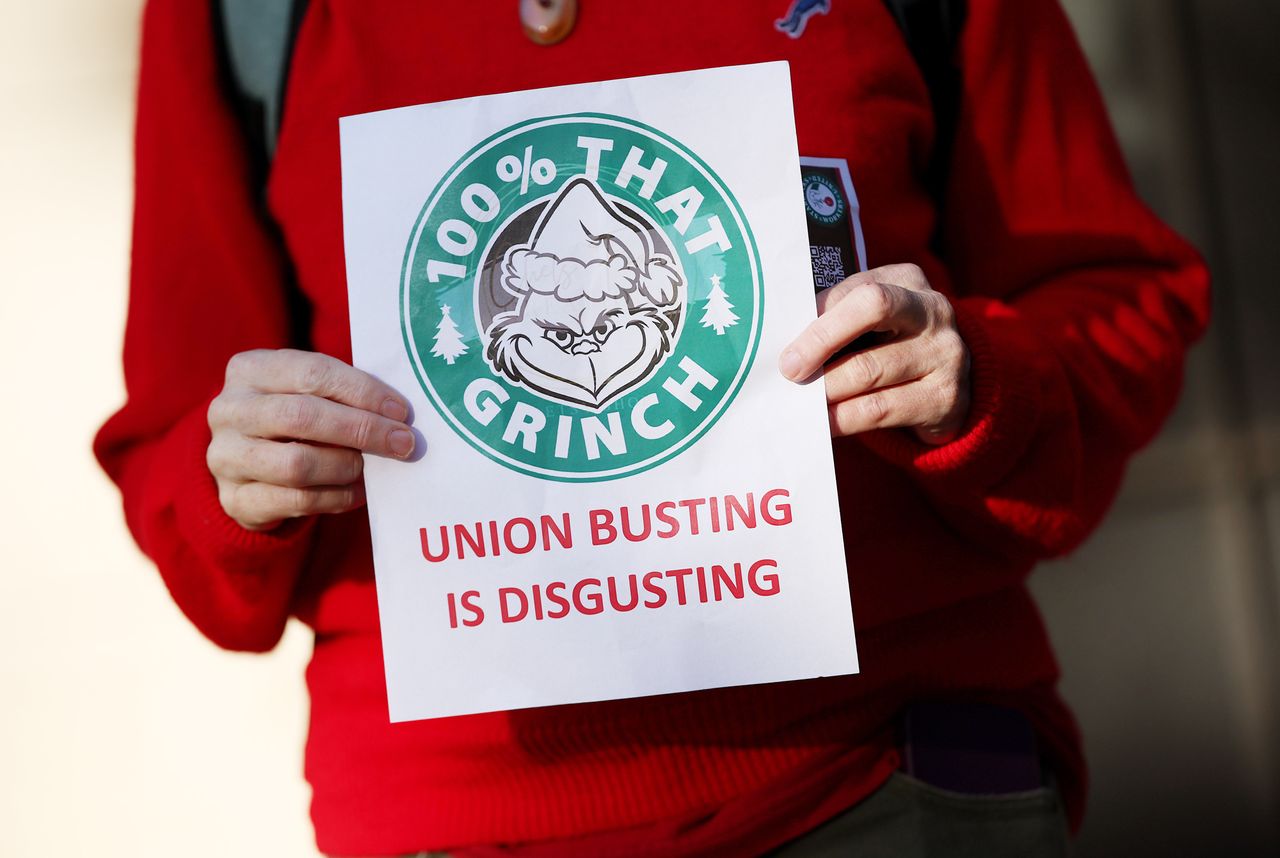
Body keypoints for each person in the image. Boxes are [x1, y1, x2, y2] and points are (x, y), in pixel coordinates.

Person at [94, 1, 1210, 856]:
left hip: (882, 781)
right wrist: (239, 470)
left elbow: (1118, 299)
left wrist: (974, 376)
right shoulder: (240, 15)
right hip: (450, 820)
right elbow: (174, 449)